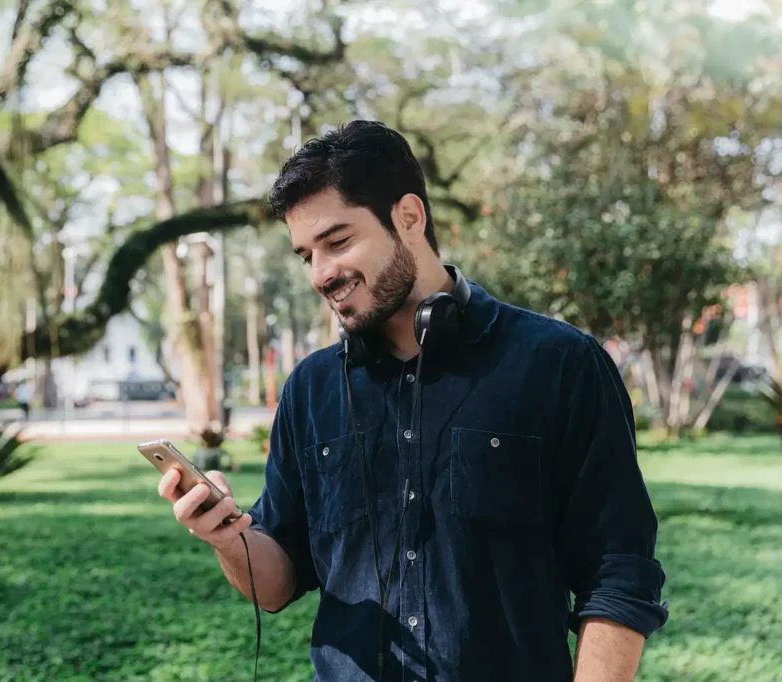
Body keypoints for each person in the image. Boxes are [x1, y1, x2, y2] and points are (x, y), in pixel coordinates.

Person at [157, 120, 668, 681]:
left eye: (338, 242)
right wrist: (227, 538)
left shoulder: (559, 364)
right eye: (307, 255)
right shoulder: (311, 390)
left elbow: (619, 569)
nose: (322, 274)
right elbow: (277, 584)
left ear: (409, 217)